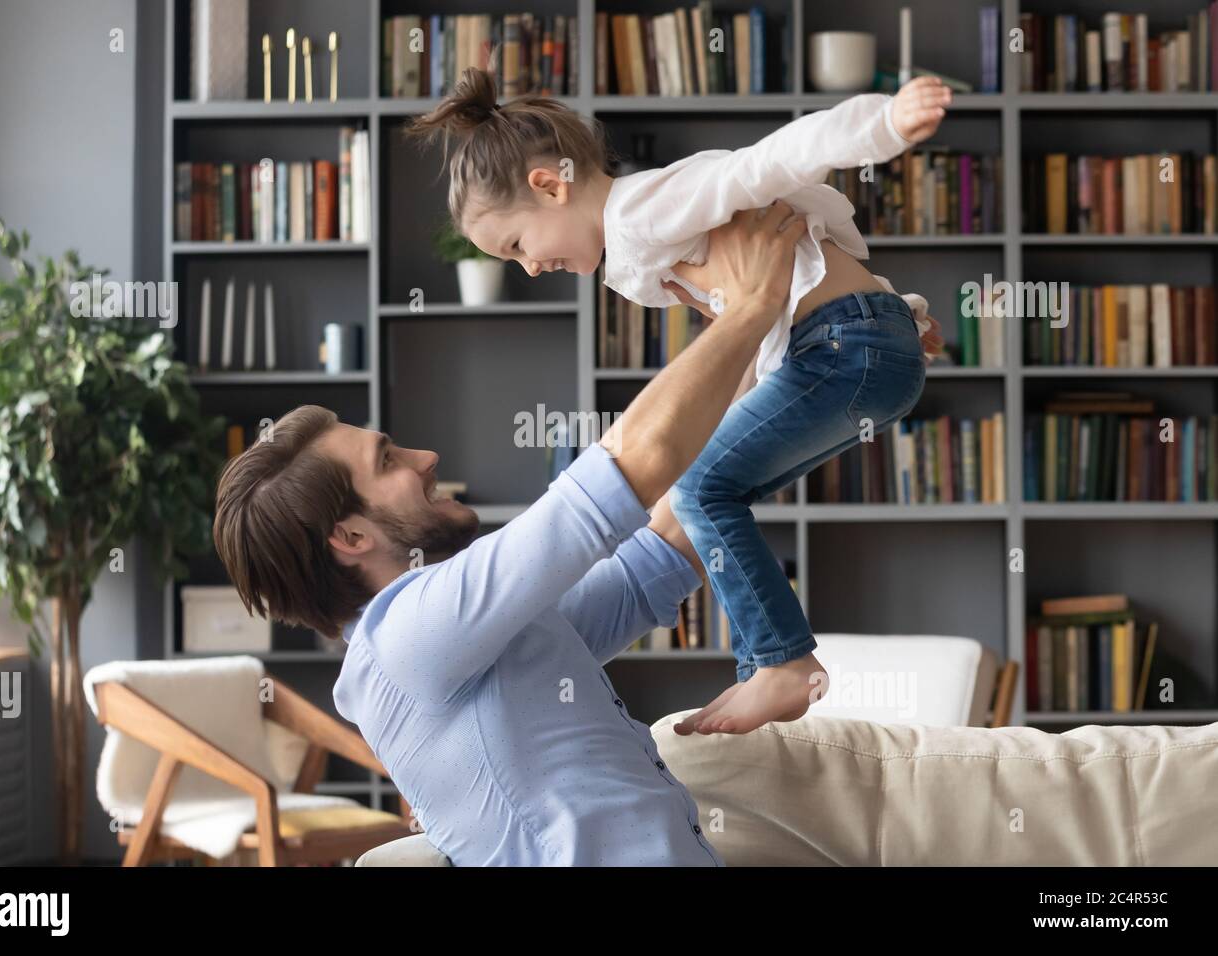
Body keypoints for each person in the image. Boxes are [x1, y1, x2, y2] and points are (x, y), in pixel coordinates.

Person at [214, 204, 850, 865]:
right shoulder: (405, 638)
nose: (425, 459)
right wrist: (751, 305)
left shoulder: (475, 642)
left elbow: (663, 542)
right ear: (348, 537)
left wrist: (787, 355)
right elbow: (626, 473)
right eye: (387, 461)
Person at [409, 68, 949, 734]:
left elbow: (766, 164)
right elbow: (766, 315)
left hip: (844, 343)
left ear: (550, 186)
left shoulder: (644, 208)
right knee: (709, 489)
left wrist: (884, 123)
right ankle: (766, 665)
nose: (529, 267)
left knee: (698, 492)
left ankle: (780, 664)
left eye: (518, 245)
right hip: (860, 344)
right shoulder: (637, 259)